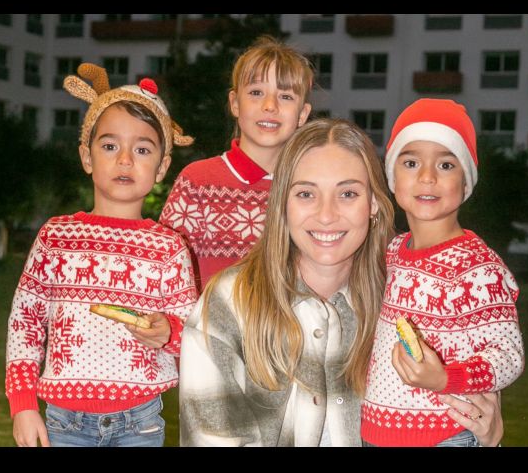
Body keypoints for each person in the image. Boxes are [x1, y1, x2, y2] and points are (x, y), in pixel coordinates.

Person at [178, 119, 504, 447]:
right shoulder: (229, 303)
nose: (326, 215)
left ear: (373, 204)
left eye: (347, 193)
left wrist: (485, 439)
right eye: (306, 193)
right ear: (282, 205)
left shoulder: (404, 303)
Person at [5, 63, 198, 447]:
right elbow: (24, 322)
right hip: (64, 425)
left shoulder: (169, 248)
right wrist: (23, 404)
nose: (125, 159)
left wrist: (168, 332)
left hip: (140, 422)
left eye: (142, 149)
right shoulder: (57, 238)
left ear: (161, 166)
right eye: (110, 146)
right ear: (87, 156)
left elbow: (192, 331)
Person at [361, 98, 524, 447]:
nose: (427, 176)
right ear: (392, 178)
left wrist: (447, 378)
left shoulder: (478, 267)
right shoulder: (390, 252)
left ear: (466, 184)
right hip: (375, 433)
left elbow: (508, 355)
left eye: (447, 164)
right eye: (411, 162)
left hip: (444, 435)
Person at [158, 36, 313, 292]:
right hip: (208, 331)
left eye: (285, 96)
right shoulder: (197, 182)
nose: (270, 106)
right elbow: (164, 275)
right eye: (256, 93)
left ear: (303, 114)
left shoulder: (311, 189)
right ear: (235, 104)